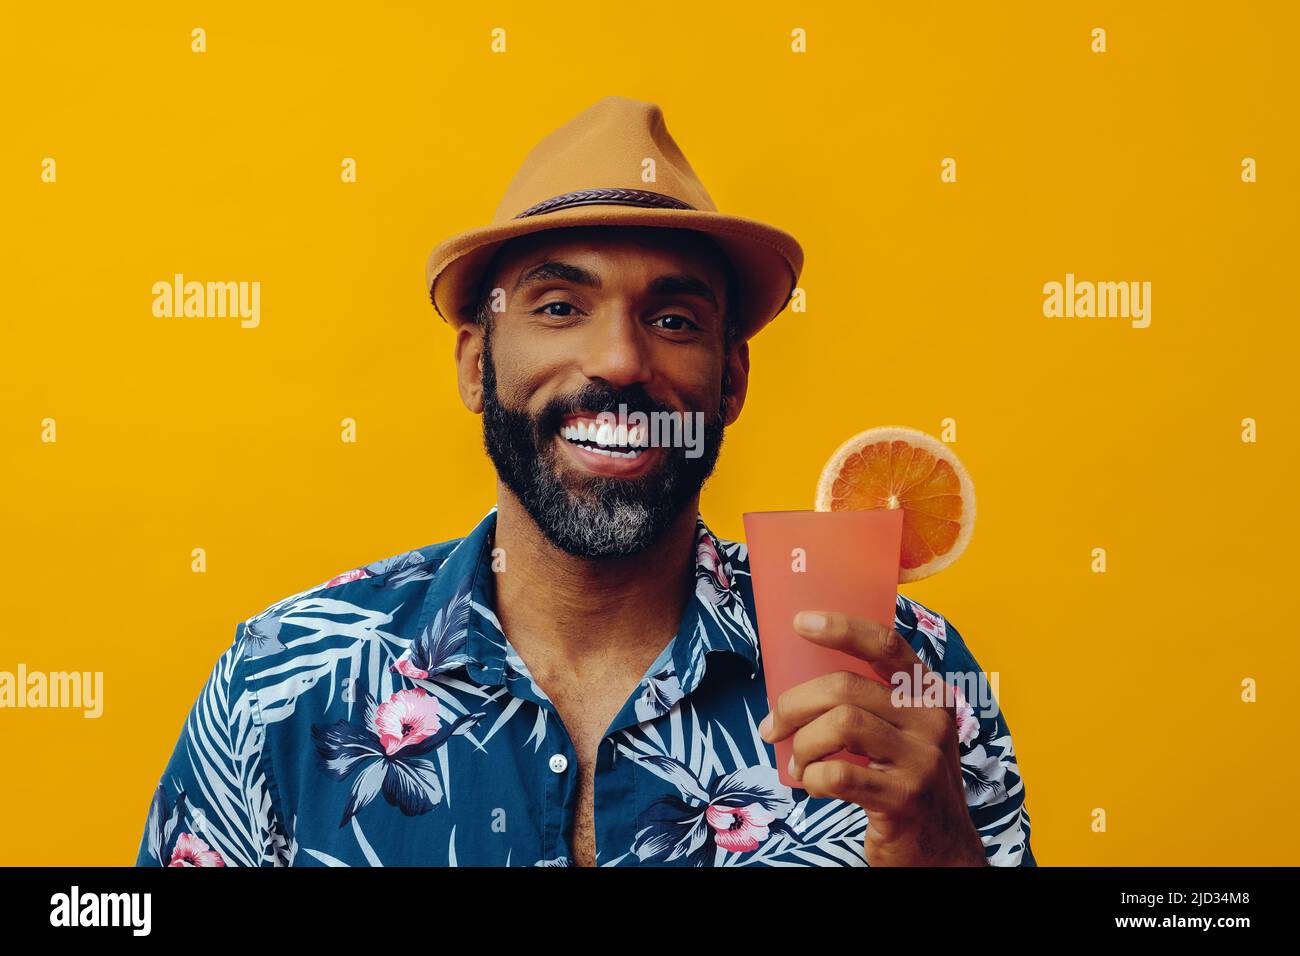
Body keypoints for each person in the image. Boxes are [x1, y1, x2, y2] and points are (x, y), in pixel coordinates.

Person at [136, 96, 1033, 867]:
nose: (619, 360)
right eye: (560, 307)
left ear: (731, 381)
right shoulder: (282, 680)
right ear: (475, 363)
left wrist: (947, 854)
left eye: (673, 317)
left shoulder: (904, 676)